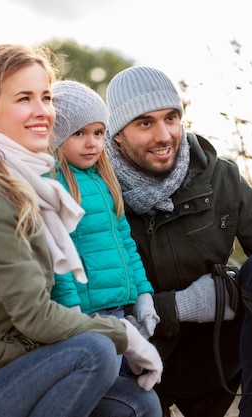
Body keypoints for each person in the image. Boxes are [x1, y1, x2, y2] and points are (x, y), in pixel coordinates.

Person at [0, 44, 162, 417]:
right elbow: (35, 315)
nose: (42, 111)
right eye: (24, 98)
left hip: (6, 365)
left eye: (46, 97)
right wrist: (125, 335)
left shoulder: (30, 183)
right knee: (95, 351)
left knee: (138, 404)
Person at [104, 66, 252, 417]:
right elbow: (87, 304)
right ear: (117, 136)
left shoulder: (218, 176)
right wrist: (181, 305)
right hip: (134, 358)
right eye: (145, 123)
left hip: (212, 352)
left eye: (171, 118)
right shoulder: (95, 193)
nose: (164, 135)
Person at [49, 80, 159, 343]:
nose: (91, 143)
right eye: (79, 133)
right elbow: (57, 254)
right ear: (56, 135)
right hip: (82, 312)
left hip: (117, 306)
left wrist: (144, 295)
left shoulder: (104, 181)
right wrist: (70, 309)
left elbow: (125, 243)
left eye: (98, 133)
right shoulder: (52, 183)